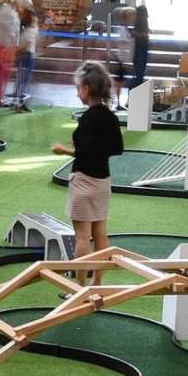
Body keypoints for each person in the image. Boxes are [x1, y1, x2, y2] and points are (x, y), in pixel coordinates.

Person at [53, 61, 123, 282]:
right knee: (100, 235)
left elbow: (84, 152)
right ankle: (98, 284)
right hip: (103, 181)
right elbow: (117, 148)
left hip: (84, 181)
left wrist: (64, 149)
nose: (77, 94)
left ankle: (79, 286)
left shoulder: (88, 118)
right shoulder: (110, 116)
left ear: (86, 89)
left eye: (78, 89)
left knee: (82, 237)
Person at [10, 0, 39, 110]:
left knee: (23, 82)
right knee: (23, 82)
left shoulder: (29, 30)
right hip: (26, 56)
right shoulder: (29, 32)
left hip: (26, 56)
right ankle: (20, 104)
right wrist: (17, 53)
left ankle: (21, 103)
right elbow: (24, 46)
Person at [126, 0, 153, 88]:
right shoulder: (143, 21)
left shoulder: (141, 21)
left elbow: (141, 33)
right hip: (141, 46)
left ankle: (137, 86)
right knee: (140, 69)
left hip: (140, 46)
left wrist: (134, 33)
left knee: (139, 69)